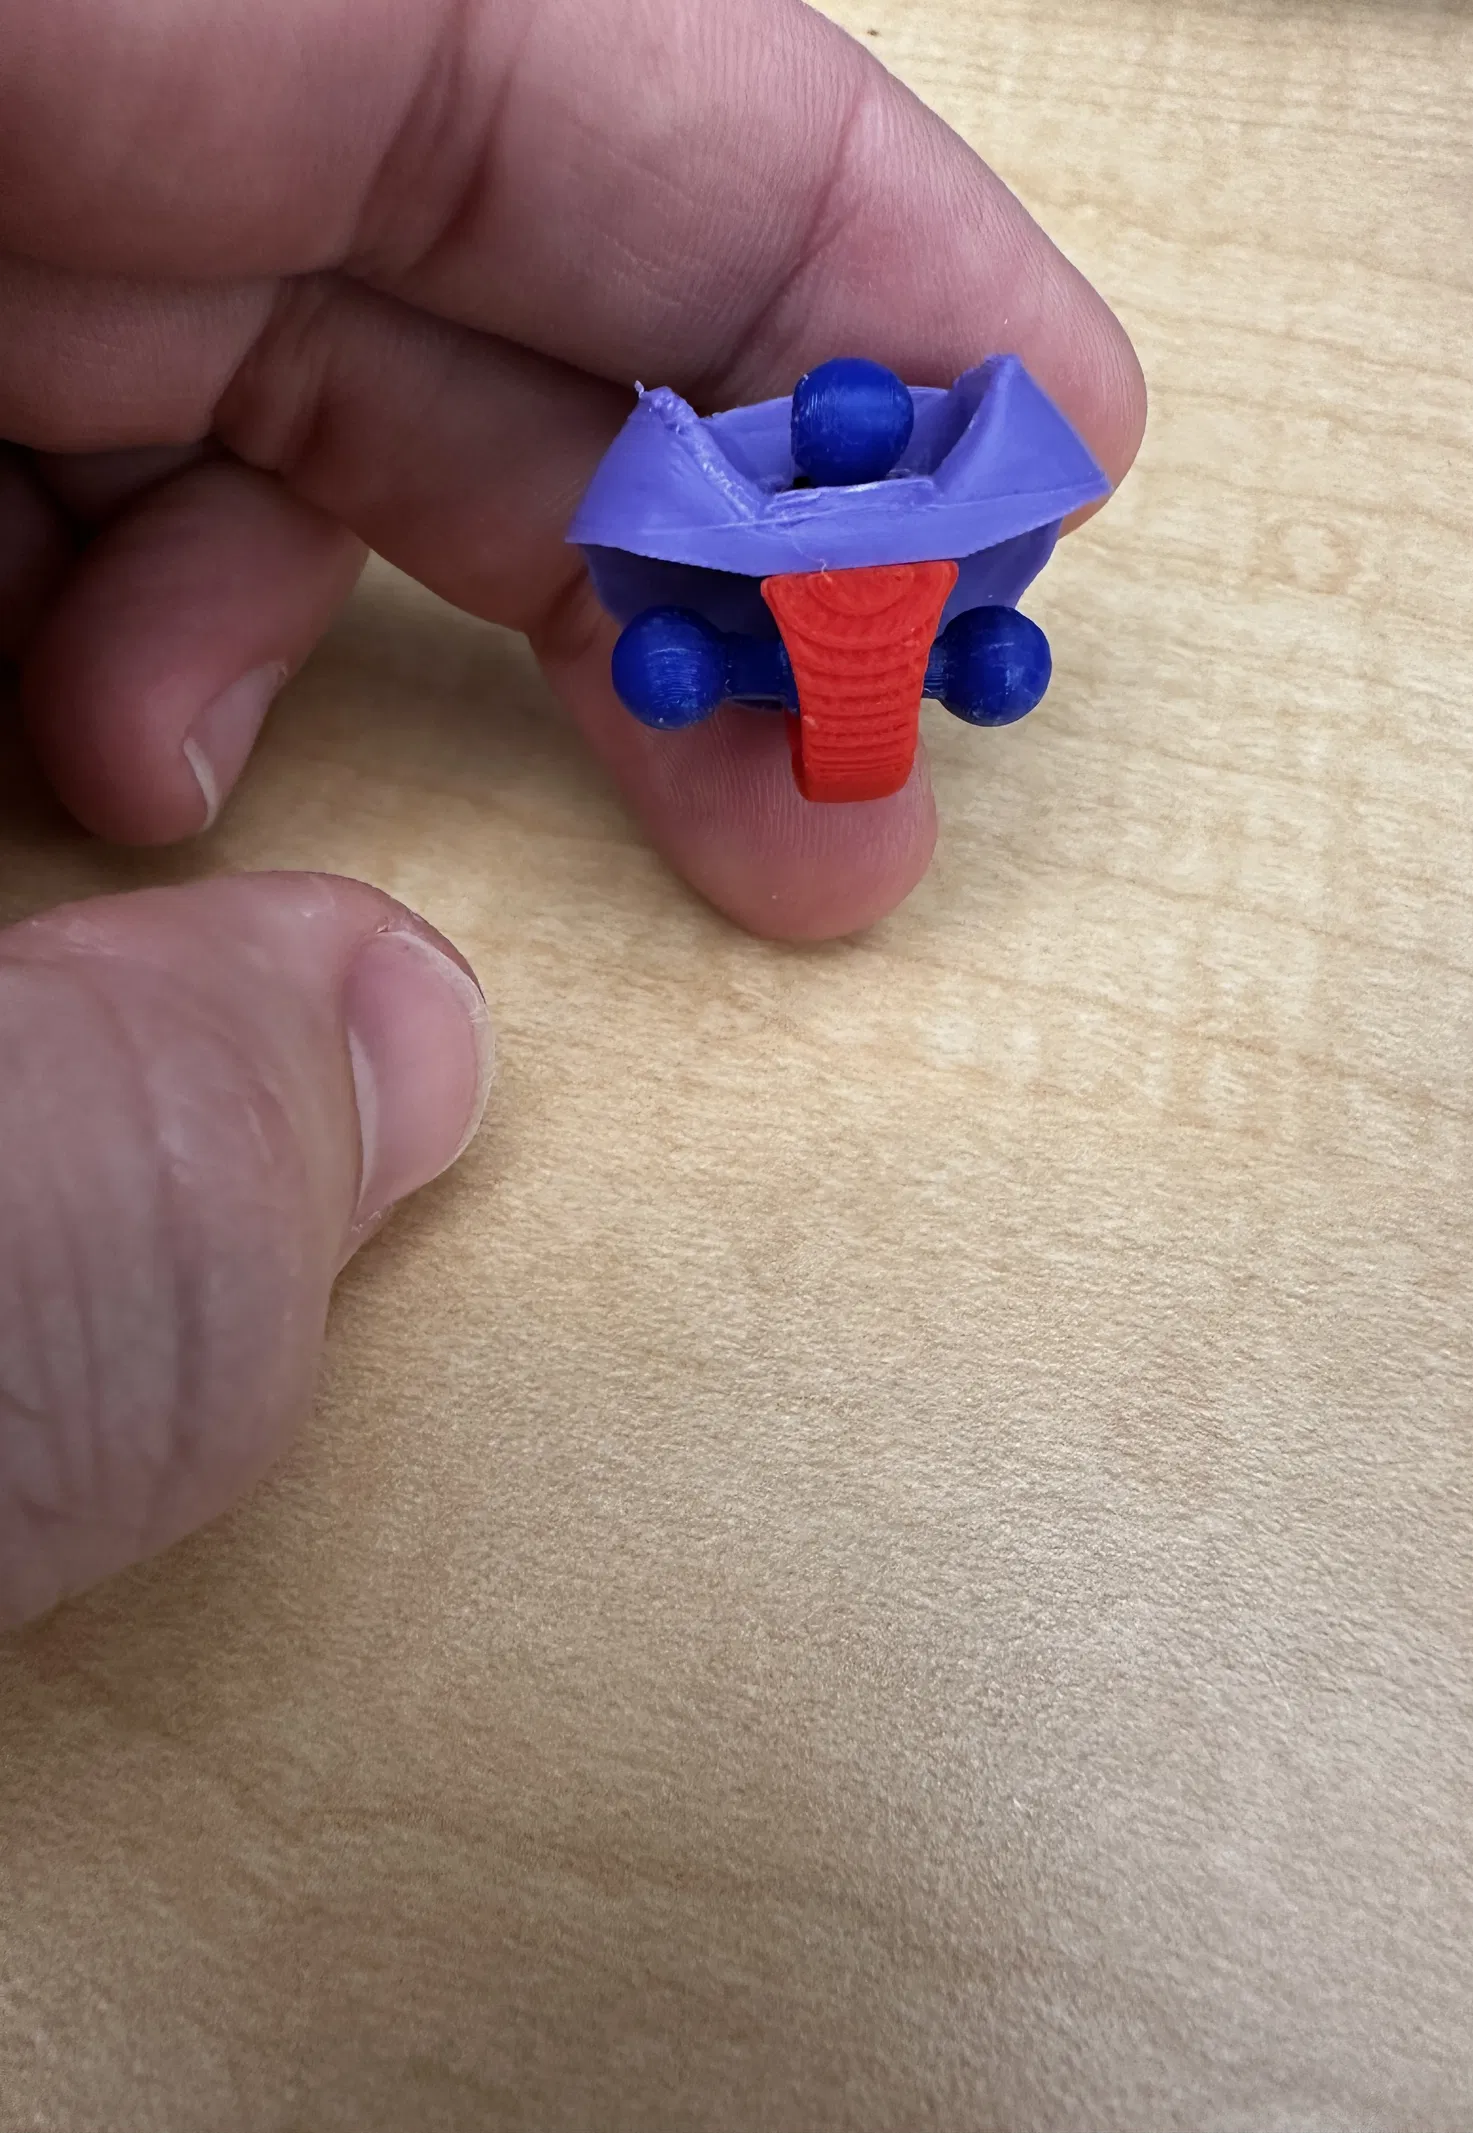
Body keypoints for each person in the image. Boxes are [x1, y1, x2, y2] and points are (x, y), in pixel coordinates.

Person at [0, 0, 1146, 1626]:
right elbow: (675, 620)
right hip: (740, 623)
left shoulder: (945, 562)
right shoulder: (697, 568)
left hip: (831, 623)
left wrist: (907, 643)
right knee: (686, 672)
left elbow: (988, 632)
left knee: (892, 671)